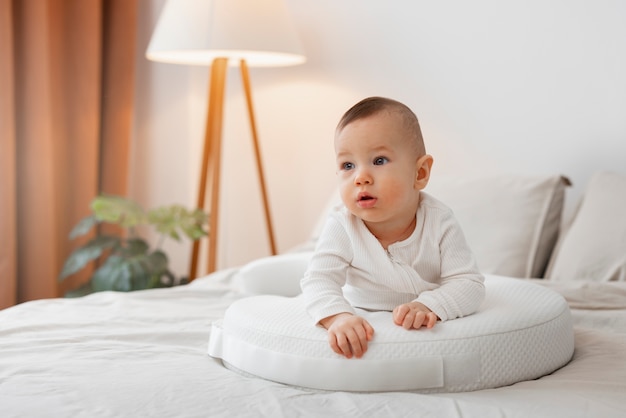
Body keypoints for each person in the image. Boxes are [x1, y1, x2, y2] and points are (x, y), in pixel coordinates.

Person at [300, 96, 485, 359]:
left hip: (419, 311)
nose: (360, 177)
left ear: (419, 173)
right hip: (361, 307)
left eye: (379, 160)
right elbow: (319, 279)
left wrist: (429, 304)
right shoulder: (343, 224)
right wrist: (338, 317)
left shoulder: (439, 220)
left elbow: (468, 282)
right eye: (348, 165)